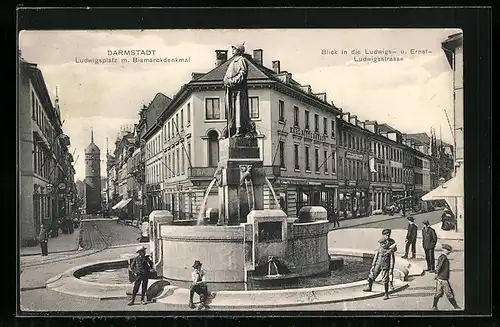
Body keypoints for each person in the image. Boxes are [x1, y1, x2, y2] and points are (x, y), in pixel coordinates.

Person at [222, 43, 257, 139]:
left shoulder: (241, 60)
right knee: (232, 111)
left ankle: (240, 130)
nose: (232, 50)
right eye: (232, 48)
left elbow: (242, 75)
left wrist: (231, 81)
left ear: (239, 50)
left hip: (238, 91)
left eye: (234, 49)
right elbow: (226, 77)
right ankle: (233, 129)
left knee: (239, 110)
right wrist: (226, 81)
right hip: (231, 91)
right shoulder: (232, 62)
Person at [432, 244, 461, 310]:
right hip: (443, 278)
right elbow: (439, 266)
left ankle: (434, 306)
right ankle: (456, 307)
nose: (449, 252)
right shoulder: (443, 257)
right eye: (448, 250)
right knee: (449, 293)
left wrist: (436, 274)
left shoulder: (441, 257)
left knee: (438, 292)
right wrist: (436, 273)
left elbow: (438, 266)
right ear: (444, 250)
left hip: (440, 278)